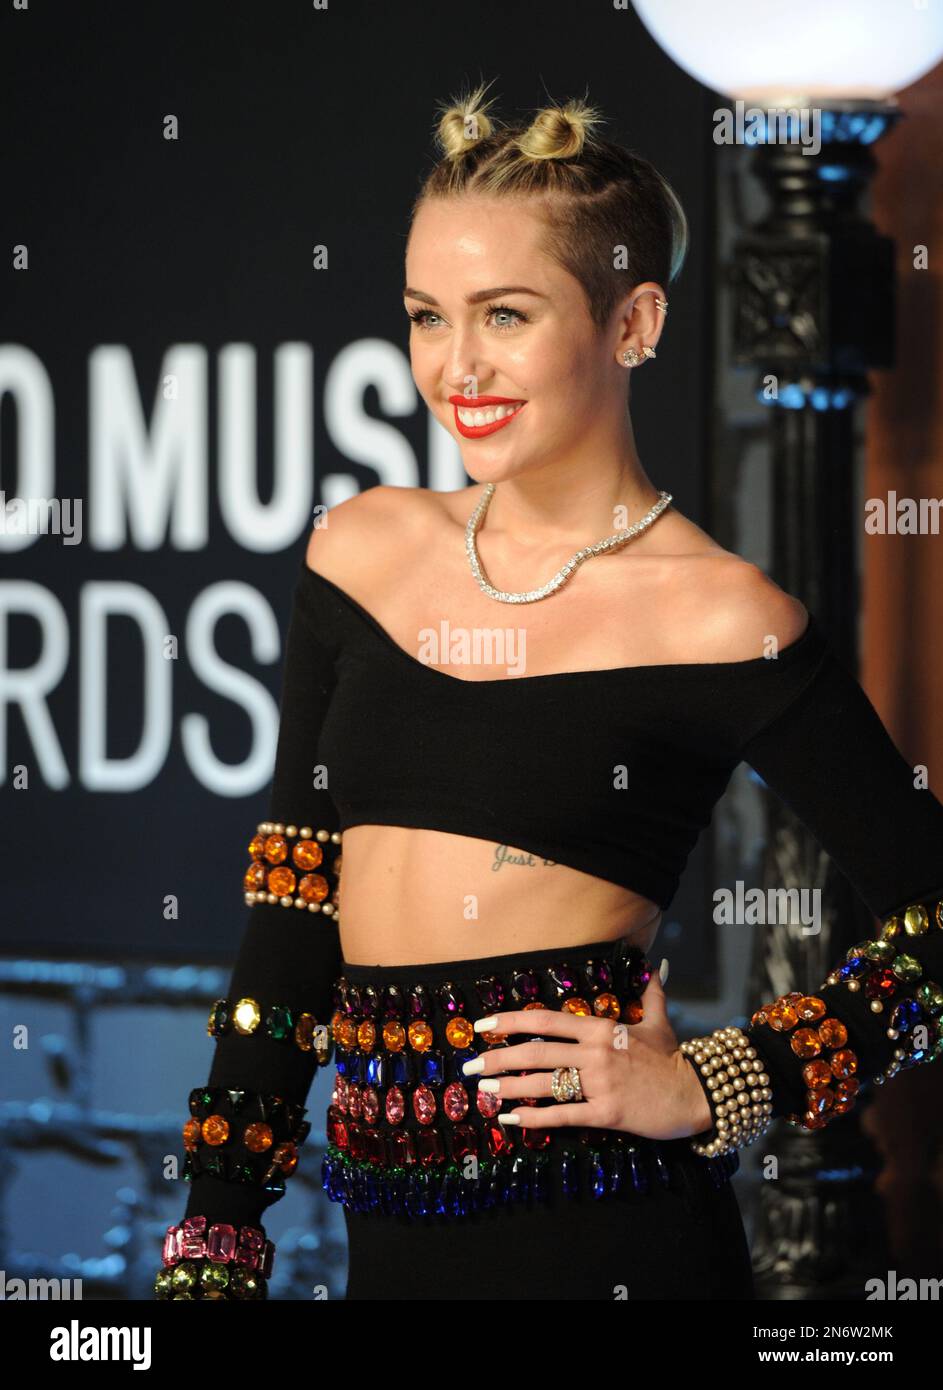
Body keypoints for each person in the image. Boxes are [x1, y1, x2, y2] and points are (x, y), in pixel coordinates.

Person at [154, 83, 943, 1302]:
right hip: (385, 1252)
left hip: (608, 1237)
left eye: (504, 315)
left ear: (633, 322)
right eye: (426, 316)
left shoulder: (722, 614)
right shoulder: (358, 549)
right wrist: (216, 1239)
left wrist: (722, 1080)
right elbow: (294, 909)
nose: (453, 366)